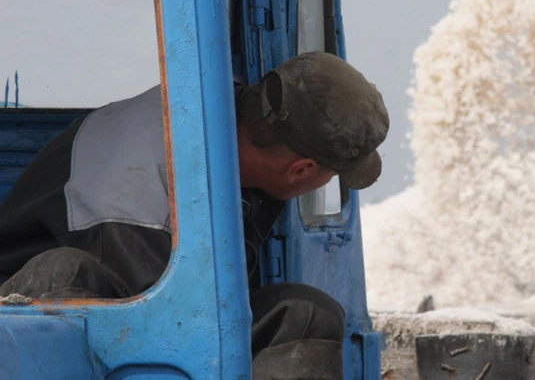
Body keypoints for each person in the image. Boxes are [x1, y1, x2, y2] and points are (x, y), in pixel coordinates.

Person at [0, 51, 389, 379]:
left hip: (130, 288)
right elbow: (175, 329)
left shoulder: (233, 114)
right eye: (331, 174)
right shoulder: (134, 205)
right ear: (300, 169)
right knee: (68, 272)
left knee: (305, 315)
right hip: (41, 310)